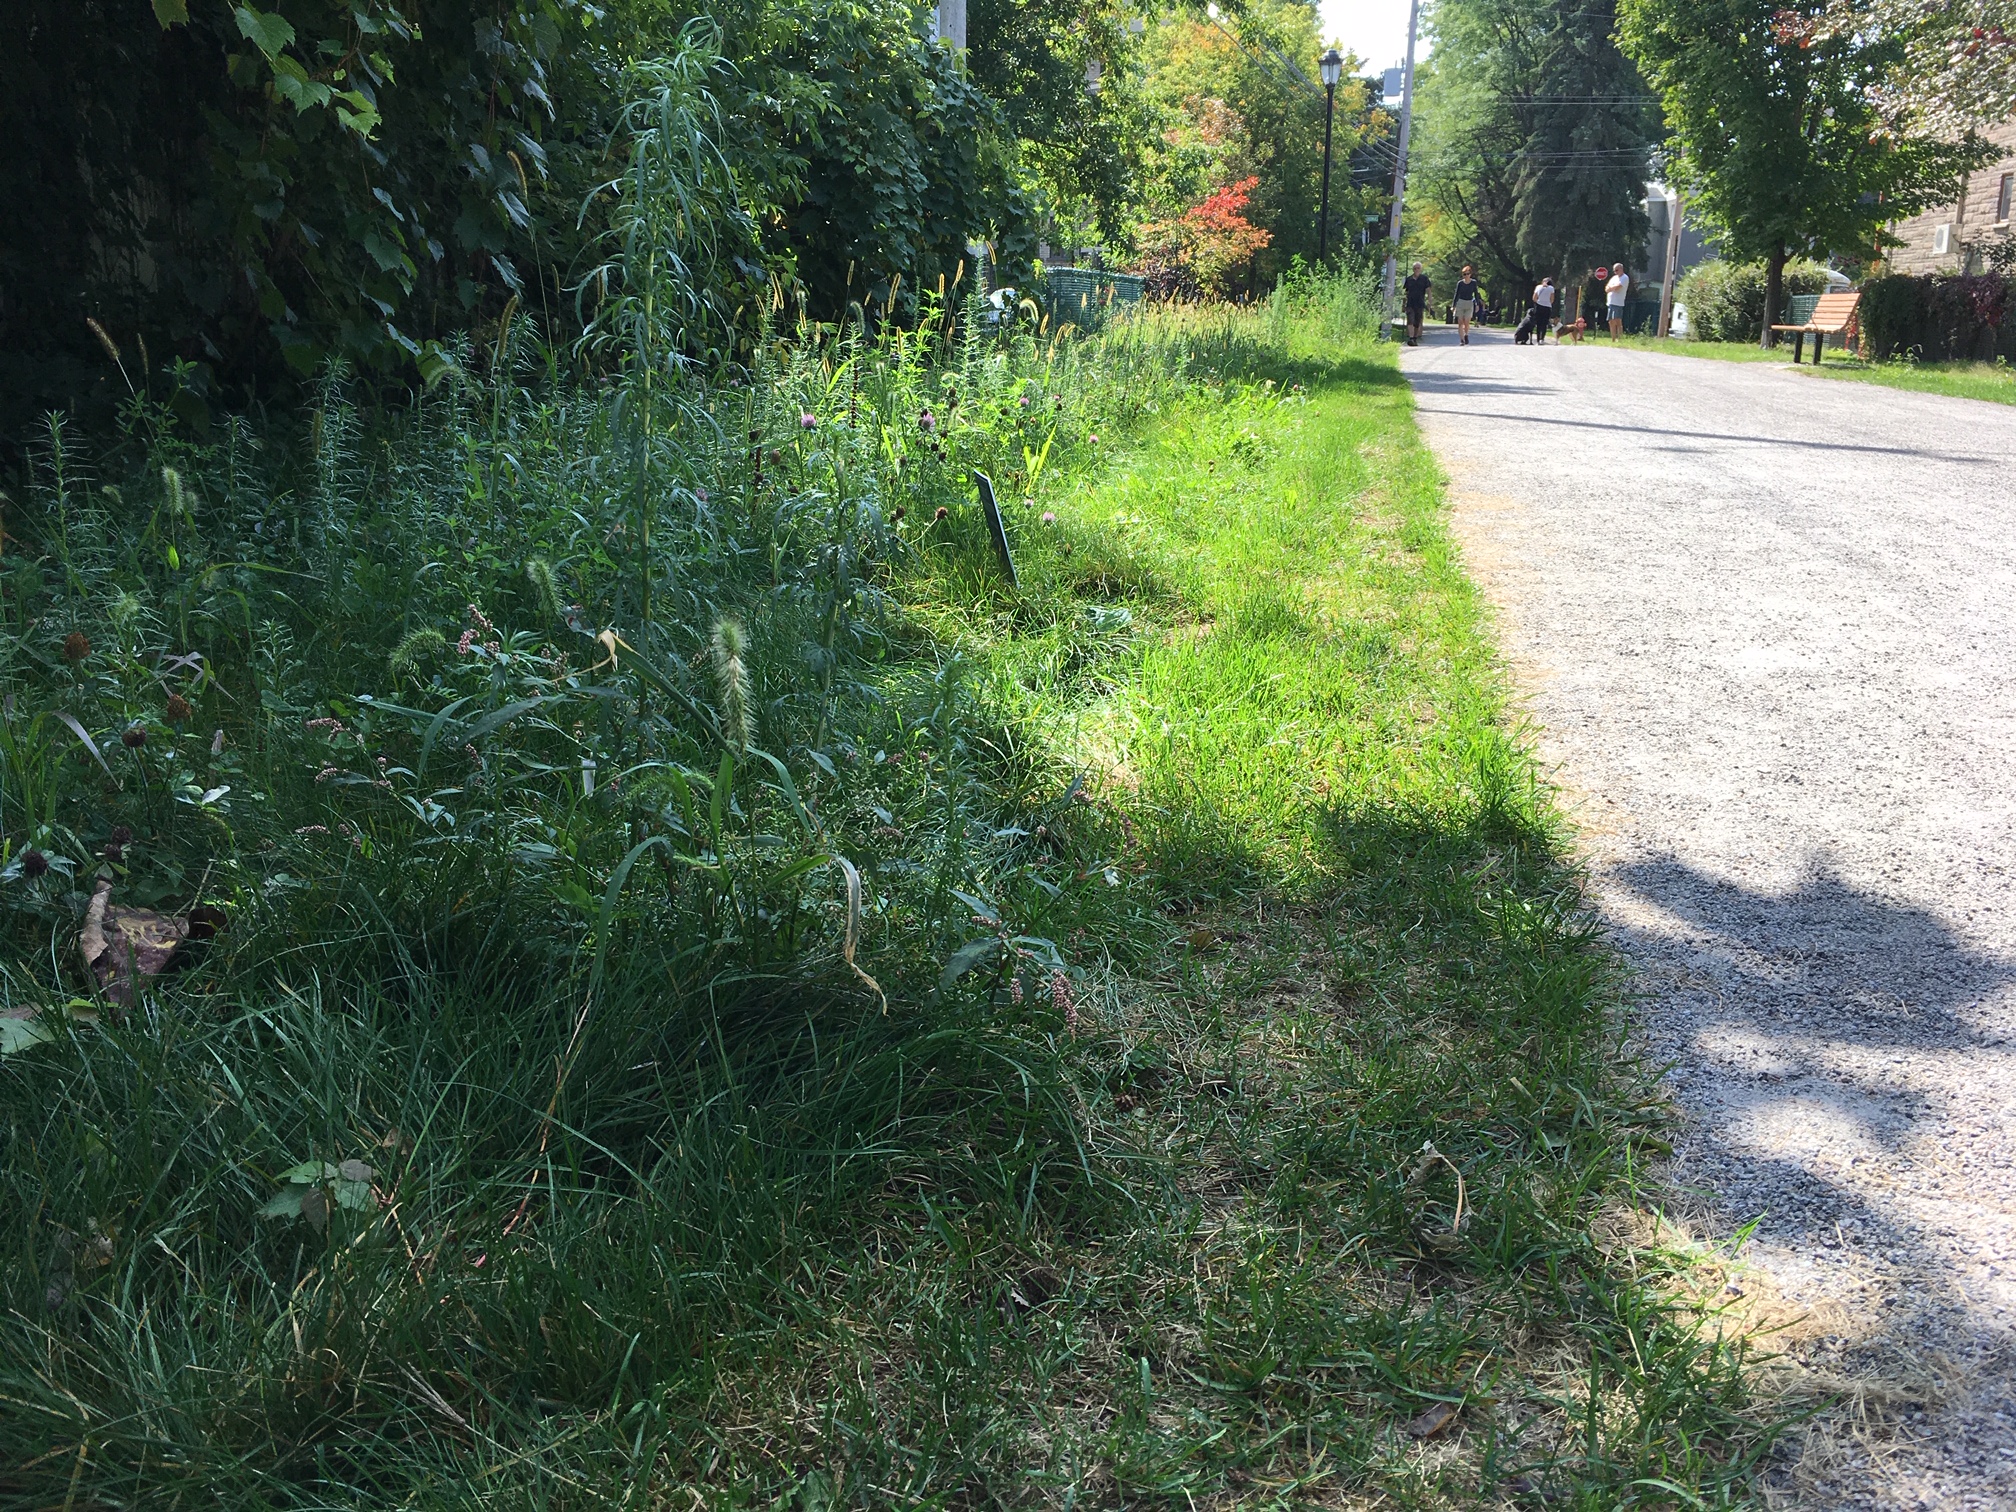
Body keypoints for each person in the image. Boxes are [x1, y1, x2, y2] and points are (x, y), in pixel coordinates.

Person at [1402, 262, 1431, 346]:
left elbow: (1429, 291)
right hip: (1410, 303)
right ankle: (1411, 338)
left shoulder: (1424, 279)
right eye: (1415, 268)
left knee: (1417, 322)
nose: (1416, 270)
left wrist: (1429, 302)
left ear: (1420, 269)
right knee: (1410, 320)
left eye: (1418, 268)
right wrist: (1403, 304)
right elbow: (1405, 292)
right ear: (1413, 269)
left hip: (1420, 303)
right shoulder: (1409, 279)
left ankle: (1415, 338)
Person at [1453, 265, 1481, 345]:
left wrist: (1477, 304)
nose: (1466, 276)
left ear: (1470, 274)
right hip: (1461, 303)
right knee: (1460, 322)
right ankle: (1461, 340)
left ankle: (1466, 335)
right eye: (1464, 274)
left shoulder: (1473, 283)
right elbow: (1456, 294)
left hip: (1469, 303)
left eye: (1467, 274)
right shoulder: (1460, 283)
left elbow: (1476, 294)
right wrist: (1453, 305)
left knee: (1467, 321)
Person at [1606, 261, 1630, 338]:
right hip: (1610, 302)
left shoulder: (1625, 278)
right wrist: (1611, 288)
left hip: (1618, 303)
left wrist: (1611, 288)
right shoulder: (1613, 278)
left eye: (1616, 270)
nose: (1615, 272)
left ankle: (1620, 337)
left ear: (1621, 269)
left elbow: (1618, 287)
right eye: (1614, 270)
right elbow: (1607, 288)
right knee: (1611, 321)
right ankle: (1613, 338)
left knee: (1617, 320)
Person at [1531, 275, 1555, 344]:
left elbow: (1534, 298)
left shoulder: (1538, 287)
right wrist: (1547, 302)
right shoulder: (1551, 288)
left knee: (1539, 323)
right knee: (1544, 323)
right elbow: (1552, 299)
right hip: (1547, 307)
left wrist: (1539, 301)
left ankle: (1538, 339)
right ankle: (1542, 339)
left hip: (1539, 306)